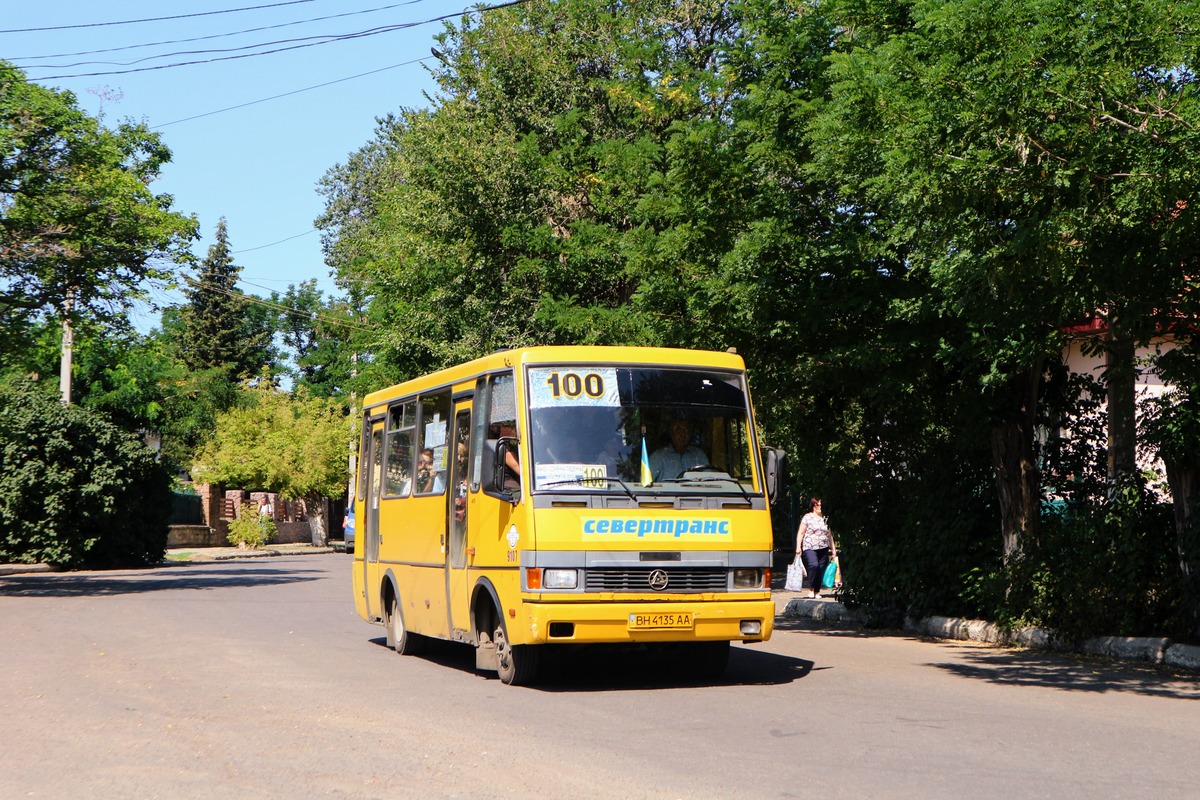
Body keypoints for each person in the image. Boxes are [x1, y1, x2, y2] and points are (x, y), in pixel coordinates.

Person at [796, 497, 837, 599]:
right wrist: (798, 547)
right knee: (814, 566)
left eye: (821, 504)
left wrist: (833, 550)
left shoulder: (825, 518)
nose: (819, 507)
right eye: (817, 505)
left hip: (823, 547)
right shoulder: (807, 517)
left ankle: (817, 591)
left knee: (820, 569)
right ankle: (811, 589)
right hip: (809, 546)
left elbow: (829, 535)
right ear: (813, 506)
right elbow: (801, 533)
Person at [648, 416, 708, 481]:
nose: (683, 434)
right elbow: (645, 485)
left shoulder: (699, 456)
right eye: (678, 430)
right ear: (671, 432)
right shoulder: (658, 457)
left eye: (686, 430)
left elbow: (710, 481)